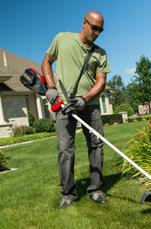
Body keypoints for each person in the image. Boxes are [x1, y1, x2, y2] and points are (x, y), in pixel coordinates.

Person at [41, 10, 110, 209]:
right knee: (65, 150)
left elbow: (101, 82)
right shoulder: (62, 39)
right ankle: (68, 193)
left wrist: (85, 98)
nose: (97, 33)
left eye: (100, 30)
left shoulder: (100, 53)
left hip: (90, 106)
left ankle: (96, 189)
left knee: (96, 145)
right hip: (63, 105)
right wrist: (51, 87)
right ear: (84, 23)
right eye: (94, 28)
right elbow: (46, 61)